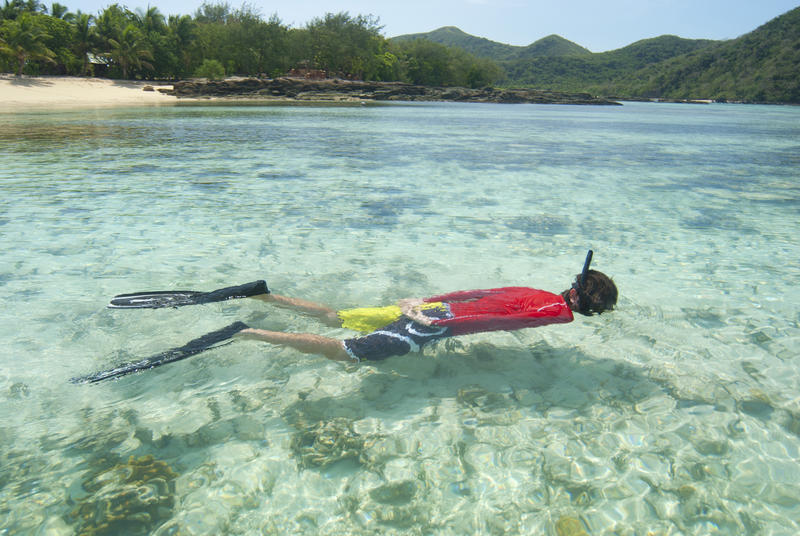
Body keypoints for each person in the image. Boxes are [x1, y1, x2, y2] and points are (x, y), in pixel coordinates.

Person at [236, 253, 618, 363]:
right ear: (587, 305)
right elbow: (500, 318)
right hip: (437, 323)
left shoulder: (534, 289)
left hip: (437, 308)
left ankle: (263, 295)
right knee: (347, 352)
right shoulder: (559, 313)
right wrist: (429, 318)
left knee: (337, 318)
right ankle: (247, 332)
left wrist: (430, 299)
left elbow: (480, 292)